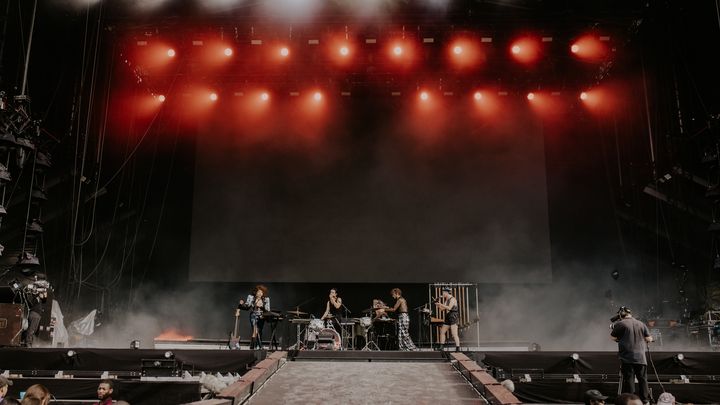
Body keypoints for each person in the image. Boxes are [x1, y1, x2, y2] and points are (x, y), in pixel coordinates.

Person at [610, 306, 653, 403]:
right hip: (641, 358)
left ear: (621, 315)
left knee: (629, 379)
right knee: (642, 379)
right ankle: (645, 401)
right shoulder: (641, 324)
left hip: (627, 357)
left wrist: (621, 339)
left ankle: (631, 401)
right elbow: (649, 339)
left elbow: (612, 337)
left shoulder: (620, 324)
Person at [238, 285, 270, 350]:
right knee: (256, 330)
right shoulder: (252, 298)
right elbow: (247, 307)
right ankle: (260, 346)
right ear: (256, 292)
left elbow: (267, 310)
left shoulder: (266, 299)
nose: (260, 293)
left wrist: (261, 307)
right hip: (253, 315)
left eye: (262, 292)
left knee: (259, 331)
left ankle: (252, 346)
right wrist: (241, 305)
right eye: (259, 292)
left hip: (261, 316)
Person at [435, 286, 460, 351]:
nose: (442, 294)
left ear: (446, 292)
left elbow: (449, 308)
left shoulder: (452, 299)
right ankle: (441, 346)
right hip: (448, 316)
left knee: (454, 334)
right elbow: (442, 309)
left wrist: (441, 304)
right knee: (442, 331)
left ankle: (458, 348)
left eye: (443, 292)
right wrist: (438, 305)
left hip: (453, 316)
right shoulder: (447, 300)